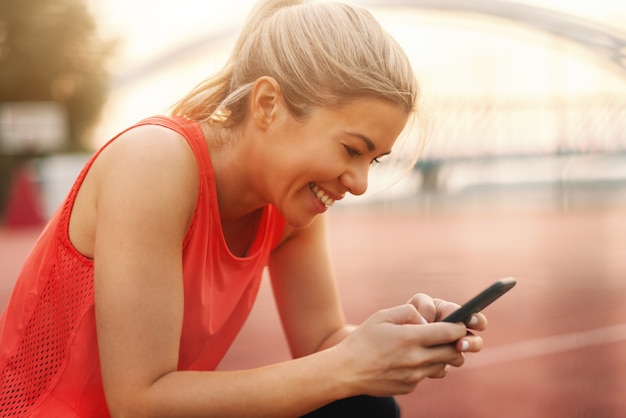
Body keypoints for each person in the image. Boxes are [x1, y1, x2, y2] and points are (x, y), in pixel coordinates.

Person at [0, 0, 487, 416]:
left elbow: (321, 344)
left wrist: (395, 338)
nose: (359, 184)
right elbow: (139, 403)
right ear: (268, 104)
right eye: (351, 150)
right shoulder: (153, 160)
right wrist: (349, 365)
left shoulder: (292, 203)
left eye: (374, 160)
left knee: (361, 404)